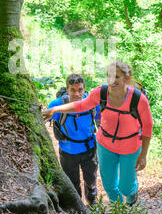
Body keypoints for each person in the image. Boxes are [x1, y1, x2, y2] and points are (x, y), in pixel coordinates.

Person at [43, 62, 153, 206]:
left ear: (127, 78)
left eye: (116, 77)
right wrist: (55, 109)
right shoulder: (100, 93)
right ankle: (119, 210)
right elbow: (81, 105)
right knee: (109, 186)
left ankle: (132, 194)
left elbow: (148, 127)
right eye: (109, 76)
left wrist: (143, 155)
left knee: (125, 186)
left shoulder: (138, 99)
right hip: (105, 145)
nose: (112, 81)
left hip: (130, 147)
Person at [46, 74, 100, 206]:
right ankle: (77, 206)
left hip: (90, 148)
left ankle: (92, 203)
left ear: (84, 89)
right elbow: (43, 117)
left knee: (91, 180)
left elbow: (100, 121)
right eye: (73, 90)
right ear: (67, 89)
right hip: (68, 150)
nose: (77, 94)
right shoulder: (57, 105)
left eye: (80, 90)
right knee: (72, 181)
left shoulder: (92, 102)